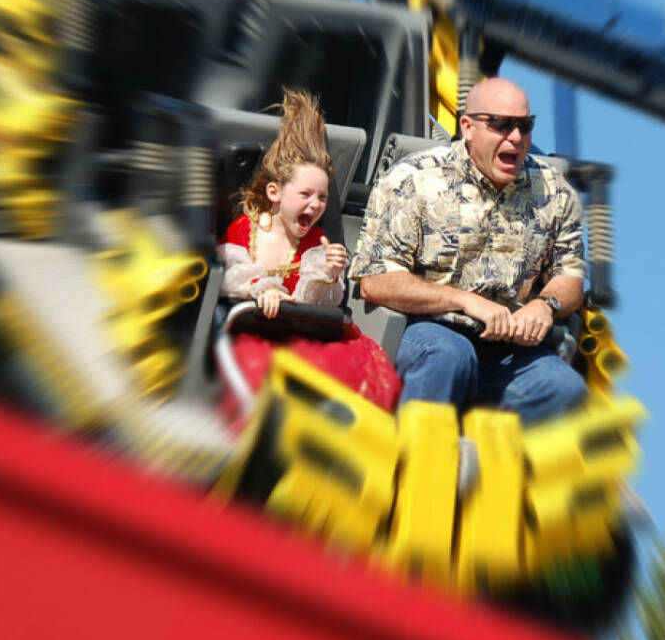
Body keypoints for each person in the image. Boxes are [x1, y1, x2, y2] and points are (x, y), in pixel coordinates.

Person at [350, 77, 587, 425]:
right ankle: (417, 465)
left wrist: (545, 305)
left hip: (512, 350)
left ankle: (497, 471)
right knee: (449, 355)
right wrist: (464, 300)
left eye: (525, 126)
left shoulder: (555, 192)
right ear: (468, 127)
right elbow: (375, 280)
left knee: (563, 387)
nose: (516, 138)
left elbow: (570, 275)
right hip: (428, 331)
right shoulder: (414, 179)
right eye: (502, 125)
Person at [219, 88, 400, 416]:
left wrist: (328, 276)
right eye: (305, 194)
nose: (315, 205)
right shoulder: (247, 230)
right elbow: (229, 275)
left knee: (339, 375)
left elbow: (321, 306)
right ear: (274, 192)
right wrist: (263, 288)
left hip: (299, 336)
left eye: (322, 198)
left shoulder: (317, 241)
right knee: (264, 374)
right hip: (256, 333)